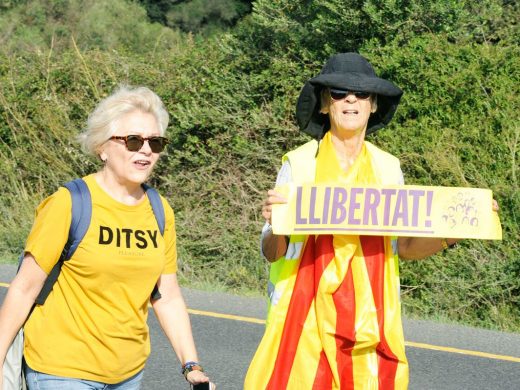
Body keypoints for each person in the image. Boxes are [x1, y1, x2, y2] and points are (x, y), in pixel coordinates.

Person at [245, 53, 498, 389]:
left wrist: (455, 232)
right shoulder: (298, 165)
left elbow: (404, 247)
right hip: (302, 322)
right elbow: (272, 252)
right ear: (324, 105)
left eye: (362, 94)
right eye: (338, 93)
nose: (351, 99)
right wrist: (277, 225)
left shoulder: (388, 168)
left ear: (373, 105)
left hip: (370, 325)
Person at [0, 86, 215, 389]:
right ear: (102, 147)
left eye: (155, 142)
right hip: (61, 368)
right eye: (133, 140)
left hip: (127, 373)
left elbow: (167, 296)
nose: (145, 150)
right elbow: (23, 289)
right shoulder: (68, 203)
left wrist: (191, 365)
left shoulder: (159, 210)